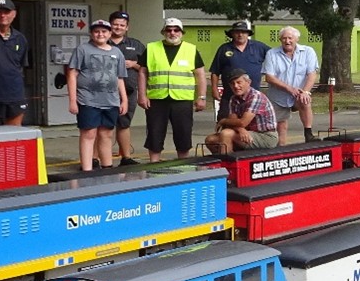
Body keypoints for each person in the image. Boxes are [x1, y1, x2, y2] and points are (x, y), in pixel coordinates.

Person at [137, 17, 206, 161]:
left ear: (181, 33)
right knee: (154, 136)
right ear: (163, 32)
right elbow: (143, 72)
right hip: (157, 99)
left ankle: (183, 166)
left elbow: (200, 74)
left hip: (182, 100)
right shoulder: (151, 48)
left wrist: (202, 97)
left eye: (176, 30)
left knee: (183, 136)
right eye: (169, 30)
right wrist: (142, 95)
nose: (172, 33)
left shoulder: (191, 49)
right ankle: (153, 166)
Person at [66, 19, 128, 171]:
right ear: (91, 33)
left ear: (110, 33)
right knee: (89, 134)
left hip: (111, 100)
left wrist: (124, 100)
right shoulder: (82, 49)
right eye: (96, 31)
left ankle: (107, 167)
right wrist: (73, 100)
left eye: (104, 31)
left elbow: (119, 77)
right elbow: (72, 74)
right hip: (87, 100)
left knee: (106, 134)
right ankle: (87, 170)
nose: (100, 34)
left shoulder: (117, 52)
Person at [262, 26, 319, 144]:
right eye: (284, 38)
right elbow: (269, 77)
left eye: (290, 38)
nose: (287, 41)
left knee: (305, 100)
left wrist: (305, 92)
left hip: (299, 94)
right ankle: (281, 149)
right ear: (280, 40)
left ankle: (308, 133)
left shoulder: (308, 52)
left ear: (297, 39)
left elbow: (312, 74)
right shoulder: (272, 54)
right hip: (278, 96)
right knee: (281, 126)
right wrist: (289, 89)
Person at [204, 67, 278, 154]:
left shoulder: (256, 96)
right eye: (232, 83)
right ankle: (228, 158)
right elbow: (233, 120)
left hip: (265, 136)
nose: (236, 86)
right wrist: (240, 130)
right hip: (246, 132)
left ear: (248, 82)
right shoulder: (234, 99)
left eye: (239, 82)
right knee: (211, 140)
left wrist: (223, 121)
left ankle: (228, 161)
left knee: (226, 134)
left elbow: (243, 122)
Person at [208, 20, 270, 120]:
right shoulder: (224, 49)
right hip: (229, 95)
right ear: (232, 34)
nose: (240, 35)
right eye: (237, 32)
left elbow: (275, 57)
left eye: (243, 32)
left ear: (248, 34)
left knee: (252, 125)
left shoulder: (259, 47)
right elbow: (215, 71)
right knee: (225, 122)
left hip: (252, 97)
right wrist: (214, 89)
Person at [108, 10, 142, 165]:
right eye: (115, 24)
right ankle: (95, 159)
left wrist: (134, 64)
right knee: (103, 127)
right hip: (104, 93)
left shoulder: (136, 45)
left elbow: (146, 67)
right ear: (110, 25)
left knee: (124, 124)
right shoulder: (100, 42)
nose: (118, 27)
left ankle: (126, 158)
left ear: (127, 27)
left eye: (122, 25)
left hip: (128, 92)